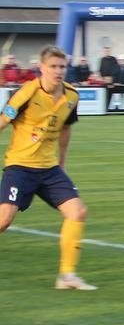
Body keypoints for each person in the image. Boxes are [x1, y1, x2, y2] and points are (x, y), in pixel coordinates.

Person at [0, 46, 96, 290]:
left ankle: (66, 276)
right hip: (19, 166)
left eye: (62, 67)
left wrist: (62, 162)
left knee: (77, 212)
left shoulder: (72, 96)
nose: (58, 71)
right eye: (53, 66)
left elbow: (65, 128)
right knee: (3, 221)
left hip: (49, 168)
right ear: (41, 68)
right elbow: (3, 121)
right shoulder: (26, 93)